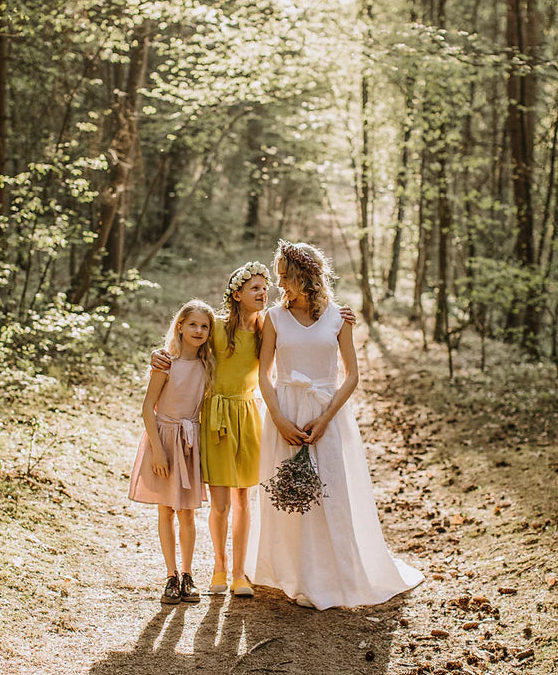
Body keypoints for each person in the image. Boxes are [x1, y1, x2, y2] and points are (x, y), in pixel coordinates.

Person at [151, 259, 357, 599]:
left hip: (248, 414)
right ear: (237, 294)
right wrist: (159, 356)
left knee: (244, 499)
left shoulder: (267, 326)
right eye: (255, 288)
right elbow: (185, 343)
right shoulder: (216, 328)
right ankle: (218, 567)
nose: (264, 292)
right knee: (220, 503)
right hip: (217, 415)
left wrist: (341, 314)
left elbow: (303, 332)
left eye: (265, 287)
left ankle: (239, 572)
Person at [246, 240, 424, 610]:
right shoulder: (274, 318)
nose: (280, 284)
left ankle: (330, 576)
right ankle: (292, 574)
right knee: (288, 495)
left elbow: (352, 375)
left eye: (285, 276)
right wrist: (278, 418)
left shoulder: (339, 318)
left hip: (326, 413)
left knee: (329, 492)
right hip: (285, 411)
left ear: (304, 275)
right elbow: (264, 374)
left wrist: (326, 418)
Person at [129, 300, 215, 605]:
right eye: (192, 324)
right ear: (180, 326)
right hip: (164, 440)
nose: (198, 331)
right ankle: (171, 575)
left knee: (187, 512)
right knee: (165, 509)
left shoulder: (208, 365)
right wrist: (157, 450)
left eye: (204, 326)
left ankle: (188, 575)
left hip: (189, 442)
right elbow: (147, 408)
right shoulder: (166, 362)